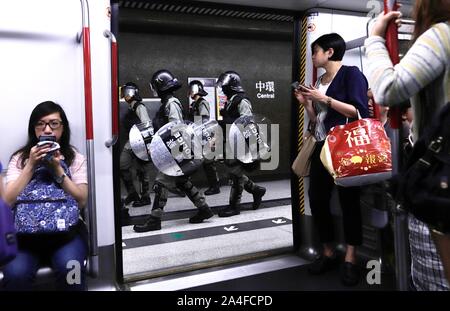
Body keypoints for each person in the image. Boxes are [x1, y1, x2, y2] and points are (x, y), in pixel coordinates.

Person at [365, 0, 450, 290]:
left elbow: (388, 90)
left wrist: (376, 39)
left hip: (441, 182)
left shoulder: (443, 35)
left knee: (435, 280)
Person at [294, 33, 370, 286]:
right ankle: (328, 251)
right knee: (317, 200)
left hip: (346, 148)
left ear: (329, 52)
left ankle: (350, 257)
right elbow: (317, 122)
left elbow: (359, 111)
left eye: (315, 51)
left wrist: (324, 99)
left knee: (349, 202)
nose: (313, 56)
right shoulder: (320, 81)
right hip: (321, 146)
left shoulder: (352, 74)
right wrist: (307, 104)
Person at [1, 101, 88, 291]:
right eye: (41, 124)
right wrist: (31, 165)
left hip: (65, 236)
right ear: (34, 129)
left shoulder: (75, 158)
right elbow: (7, 201)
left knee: (72, 272)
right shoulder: (20, 158)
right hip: (24, 238)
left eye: (54, 123)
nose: (47, 129)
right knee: (15, 276)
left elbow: (82, 199)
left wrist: (57, 169)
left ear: (62, 128)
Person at [133, 70, 214, 232]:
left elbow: (175, 129)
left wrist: (173, 156)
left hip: (176, 152)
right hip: (175, 150)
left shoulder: (171, 103)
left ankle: (154, 220)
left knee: (160, 183)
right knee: (182, 181)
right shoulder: (168, 103)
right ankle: (204, 209)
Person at [216, 71, 266, 218]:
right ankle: (257, 190)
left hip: (241, 144)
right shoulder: (231, 100)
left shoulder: (242, 101)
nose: (223, 89)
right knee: (234, 172)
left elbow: (247, 123)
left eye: (225, 86)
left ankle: (234, 206)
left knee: (236, 174)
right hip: (232, 142)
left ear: (232, 86)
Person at [119, 82, 152, 207]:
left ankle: (145, 197)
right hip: (132, 141)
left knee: (142, 170)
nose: (125, 95)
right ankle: (132, 193)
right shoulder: (132, 107)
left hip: (140, 141)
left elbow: (147, 124)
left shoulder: (139, 107)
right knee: (123, 165)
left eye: (127, 92)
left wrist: (148, 144)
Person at [188, 80, 221, 195]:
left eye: (191, 90)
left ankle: (215, 186)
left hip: (204, 134)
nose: (190, 93)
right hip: (197, 135)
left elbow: (203, 120)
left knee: (208, 162)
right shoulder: (194, 104)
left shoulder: (202, 103)